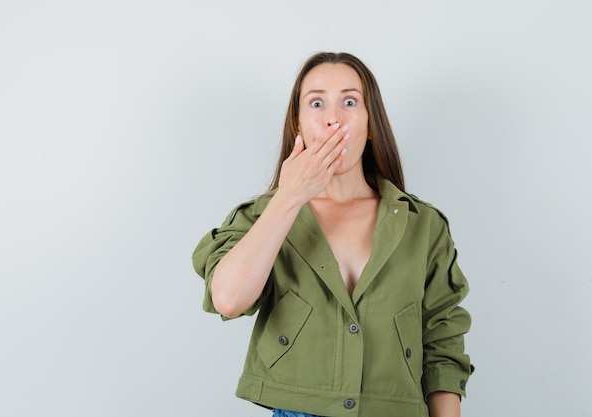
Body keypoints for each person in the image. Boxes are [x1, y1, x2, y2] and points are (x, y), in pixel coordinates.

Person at [192, 52, 473, 417]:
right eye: (317, 102)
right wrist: (289, 197)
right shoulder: (262, 218)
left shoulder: (423, 224)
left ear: (371, 123)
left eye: (350, 101)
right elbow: (229, 299)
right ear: (299, 123)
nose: (333, 118)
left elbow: (442, 340)